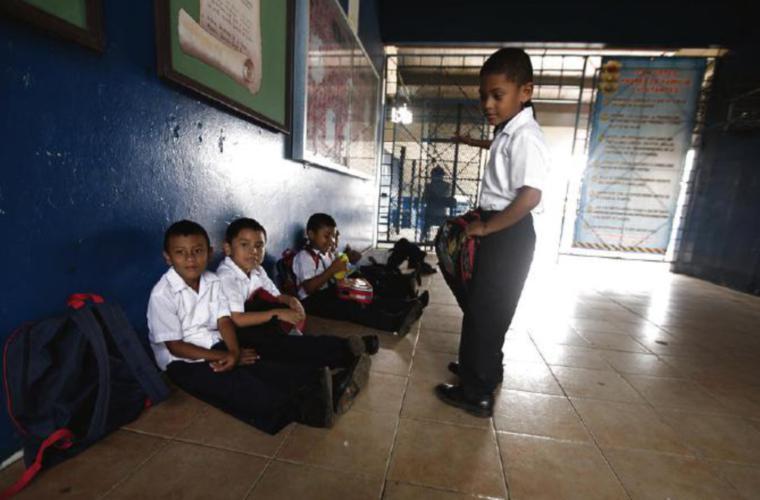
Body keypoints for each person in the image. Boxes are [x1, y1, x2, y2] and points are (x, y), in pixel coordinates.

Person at [435, 48, 549, 417]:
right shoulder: (509, 131)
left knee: (487, 310)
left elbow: (530, 195)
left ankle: (477, 392)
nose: (487, 104)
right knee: (484, 306)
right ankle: (481, 368)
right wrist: (472, 143)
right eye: (483, 95)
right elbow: (500, 148)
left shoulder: (526, 136)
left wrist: (485, 227)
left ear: (525, 92)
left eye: (497, 95)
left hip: (507, 231)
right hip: (501, 228)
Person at [147, 220, 335, 434]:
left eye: (197, 251)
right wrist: (223, 355)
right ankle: (303, 410)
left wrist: (234, 351)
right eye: (180, 252)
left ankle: (321, 385)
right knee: (237, 387)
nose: (190, 258)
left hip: (214, 344)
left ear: (209, 253)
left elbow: (224, 320)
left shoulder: (212, 281)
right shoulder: (162, 294)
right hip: (181, 362)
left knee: (259, 364)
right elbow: (175, 346)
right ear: (168, 257)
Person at [216, 217, 378, 412]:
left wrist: (292, 301)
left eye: (259, 246)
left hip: (260, 323)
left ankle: (347, 350)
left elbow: (277, 295)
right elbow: (238, 319)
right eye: (245, 245)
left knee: (296, 344)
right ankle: (343, 357)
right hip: (240, 333)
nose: (254, 251)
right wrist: (278, 313)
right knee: (290, 349)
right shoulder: (227, 275)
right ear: (227, 248)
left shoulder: (256, 270)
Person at [293, 213, 426, 336]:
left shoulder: (326, 254)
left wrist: (347, 277)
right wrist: (333, 270)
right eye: (326, 236)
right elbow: (309, 288)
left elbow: (337, 276)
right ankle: (394, 323)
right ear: (311, 234)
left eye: (333, 237)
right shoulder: (304, 257)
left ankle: (404, 305)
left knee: (364, 295)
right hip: (312, 302)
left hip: (329, 291)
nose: (331, 241)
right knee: (352, 307)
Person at [421, 165, 456, 242]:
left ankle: (422, 239)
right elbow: (447, 197)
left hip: (432, 214)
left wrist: (433, 199)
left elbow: (424, 199)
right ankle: (442, 240)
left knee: (426, 226)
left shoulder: (429, 186)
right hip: (440, 215)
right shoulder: (446, 186)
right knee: (442, 227)